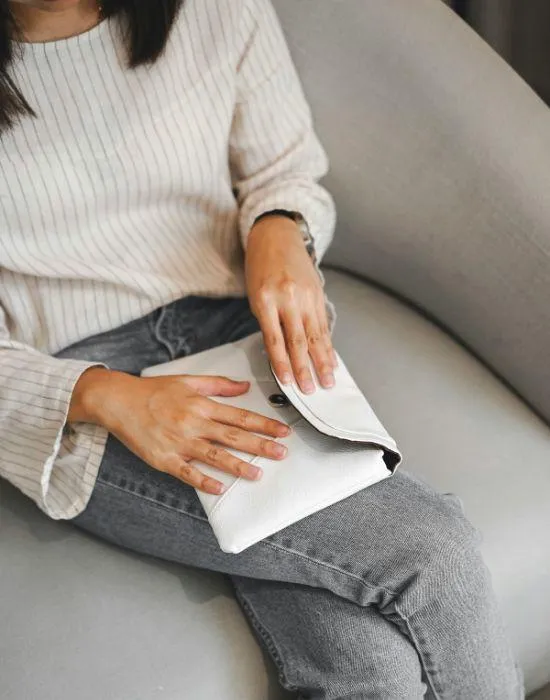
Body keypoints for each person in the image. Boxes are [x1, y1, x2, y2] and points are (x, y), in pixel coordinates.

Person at [0, 1, 523, 697]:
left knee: (370, 671)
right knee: (433, 551)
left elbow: (284, 169)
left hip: (240, 340)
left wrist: (279, 225)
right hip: (82, 391)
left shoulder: (216, 8)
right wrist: (104, 395)